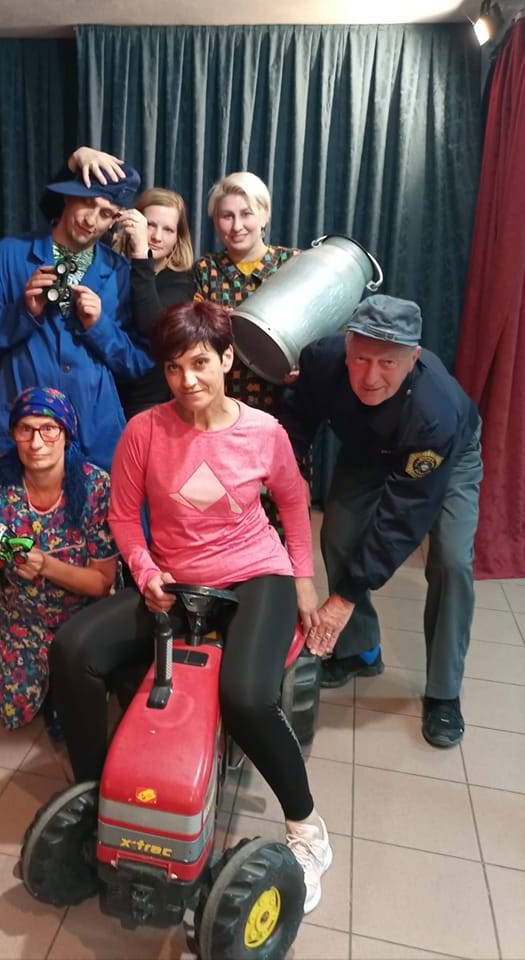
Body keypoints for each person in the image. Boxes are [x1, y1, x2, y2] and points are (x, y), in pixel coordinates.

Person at [51, 301, 333, 914]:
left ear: (228, 360)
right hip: (174, 582)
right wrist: (147, 572)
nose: (187, 380)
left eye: (201, 363)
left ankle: (308, 829)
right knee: (73, 651)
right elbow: (123, 517)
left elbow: (293, 501)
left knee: (247, 697)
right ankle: (101, 795)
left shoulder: (264, 432)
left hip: (256, 574)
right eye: (174, 368)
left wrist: (303, 579)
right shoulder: (144, 431)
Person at [0, 156, 151, 674]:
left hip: (94, 424)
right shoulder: (11, 255)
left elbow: (139, 361)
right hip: (20, 419)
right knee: (1, 520)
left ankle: (97, 634)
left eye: (107, 213)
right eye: (86, 203)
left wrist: (99, 326)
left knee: (97, 528)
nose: (92, 219)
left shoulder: (117, 273)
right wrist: (23, 311)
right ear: (65, 198)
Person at [278, 295, 482, 748]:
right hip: (369, 449)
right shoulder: (323, 359)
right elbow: (297, 415)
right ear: (347, 345)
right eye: (361, 359)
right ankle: (360, 650)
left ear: (413, 358)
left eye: (388, 362)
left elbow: (402, 519)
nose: (370, 377)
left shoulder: (435, 409)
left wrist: (344, 598)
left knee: (451, 561)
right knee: (338, 533)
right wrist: (290, 464)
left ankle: (444, 692)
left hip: (446, 458)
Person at [0, 387, 117, 731]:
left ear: (66, 433)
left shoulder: (93, 486)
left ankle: (68, 678)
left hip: (83, 617)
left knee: (72, 718)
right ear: (13, 434)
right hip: (24, 617)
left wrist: (46, 565)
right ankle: (39, 668)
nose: (36, 442)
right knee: (14, 711)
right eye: (25, 429)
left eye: (49, 429)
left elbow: (102, 584)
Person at [68, 147, 197, 416]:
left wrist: (141, 254)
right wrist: (76, 158)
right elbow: (61, 220)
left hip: (147, 405)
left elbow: (154, 328)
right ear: (129, 221)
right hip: (96, 393)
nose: (157, 237)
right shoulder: (107, 261)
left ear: (178, 238)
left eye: (168, 230)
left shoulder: (181, 281)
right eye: (150, 225)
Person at [194, 171, 299, 414]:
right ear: (215, 221)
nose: (236, 226)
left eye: (246, 214)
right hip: (221, 408)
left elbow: (325, 333)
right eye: (226, 216)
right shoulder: (205, 270)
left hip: (286, 407)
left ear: (264, 215)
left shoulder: (293, 264)